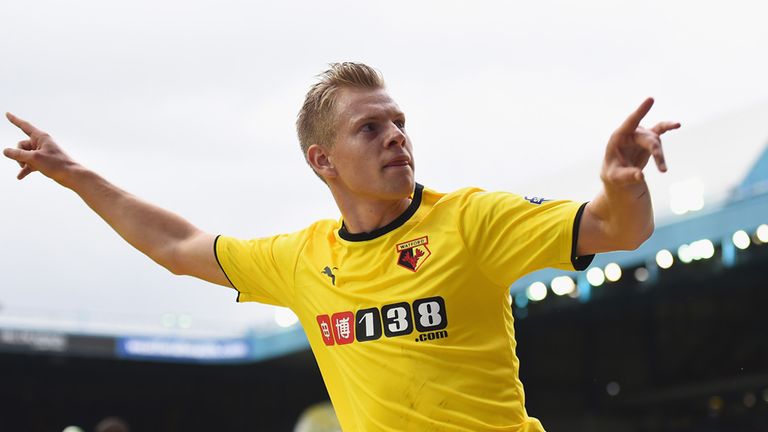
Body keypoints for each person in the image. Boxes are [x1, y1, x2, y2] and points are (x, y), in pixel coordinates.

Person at [4, 62, 679, 431]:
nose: (395, 136)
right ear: (322, 161)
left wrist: (625, 186)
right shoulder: (302, 260)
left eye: (399, 123)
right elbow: (178, 245)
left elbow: (620, 230)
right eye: (370, 128)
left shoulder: (471, 221)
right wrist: (74, 175)